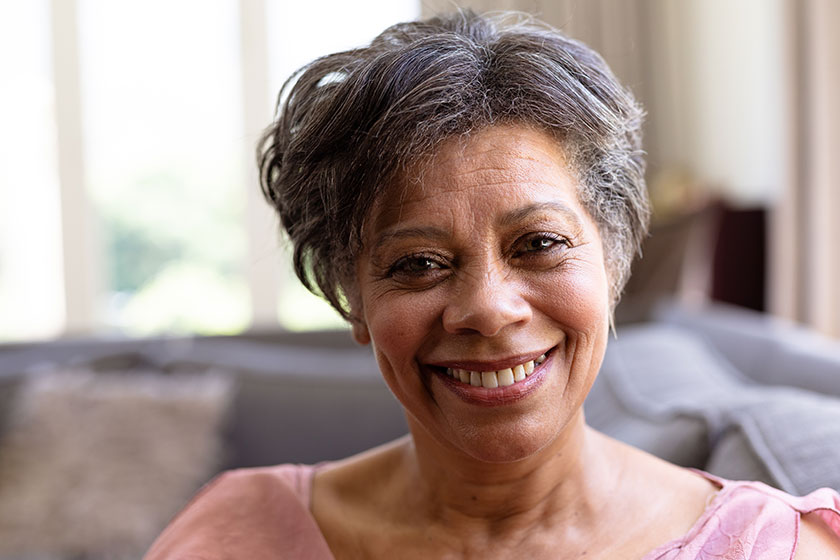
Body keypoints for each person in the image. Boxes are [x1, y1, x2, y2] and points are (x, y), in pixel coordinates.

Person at [145, 11, 840, 559]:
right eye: (418, 263)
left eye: (539, 244)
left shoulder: (772, 548)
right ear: (351, 297)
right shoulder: (238, 535)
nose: (487, 308)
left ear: (613, 261)